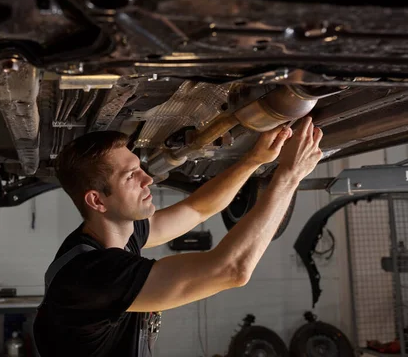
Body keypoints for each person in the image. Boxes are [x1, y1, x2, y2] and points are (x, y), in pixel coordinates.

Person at [33, 116, 323, 357]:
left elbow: (197, 209)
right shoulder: (90, 276)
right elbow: (232, 270)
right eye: (130, 176)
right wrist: (288, 177)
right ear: (97, 201)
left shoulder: (117, 234)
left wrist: (253, 160)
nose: (148, 179)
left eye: (139, 169)